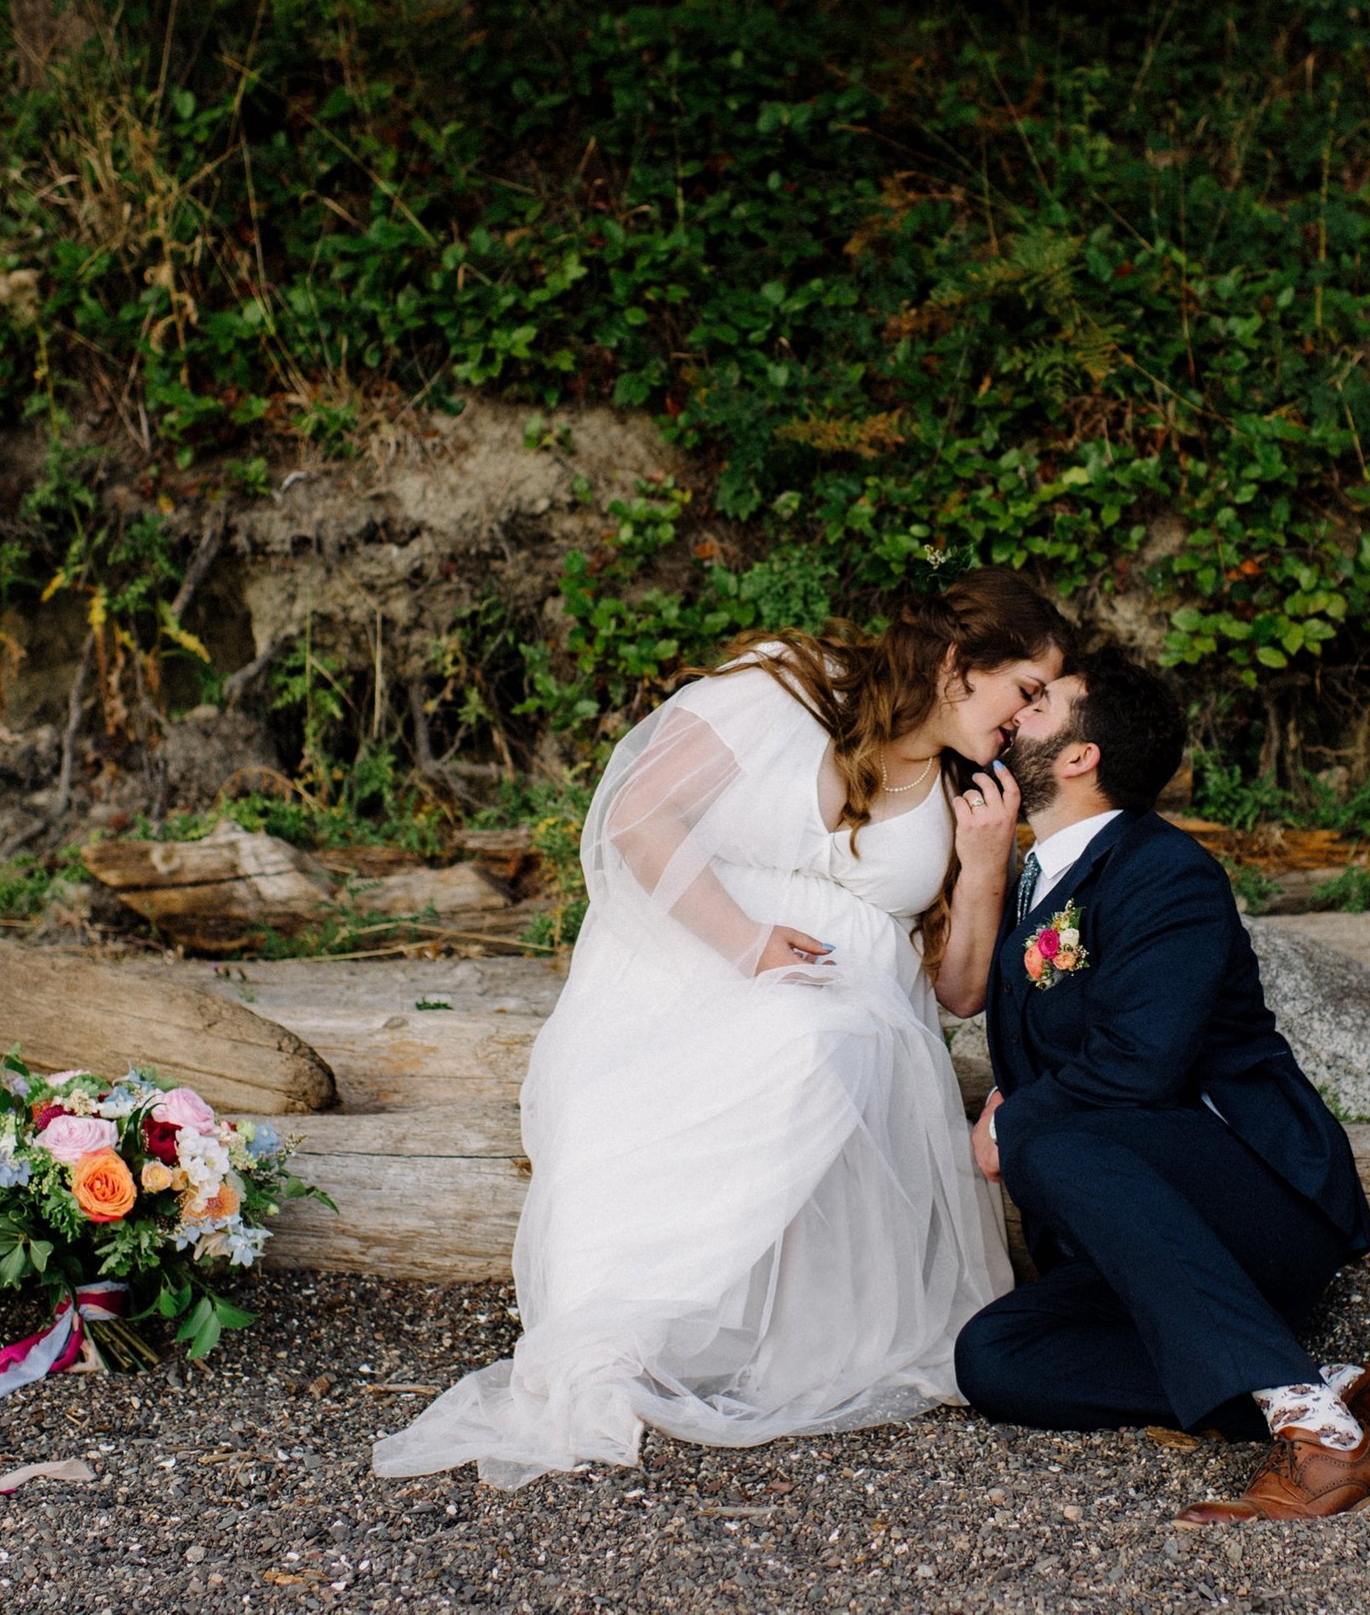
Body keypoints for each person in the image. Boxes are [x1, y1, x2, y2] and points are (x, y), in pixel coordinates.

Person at [373, 570, 1070, 1489]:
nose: (1029, 718)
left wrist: (983, 867)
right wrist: (744, 944)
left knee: (813, 1041)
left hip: (850, 1026)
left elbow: (960, 991)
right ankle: (621, 1329)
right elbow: (636, 812)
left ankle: (705, 1328)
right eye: (1025, 688)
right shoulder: (792, 686)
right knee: (788, 1036)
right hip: (691, 968)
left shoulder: (967, 795)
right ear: (957, 663)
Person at [951, 648, 1370, 1525]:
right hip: (1139, 1232)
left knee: (1046, 1137)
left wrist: (1014, 1117)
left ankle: (1322, 1442)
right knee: (996, 1355)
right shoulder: (1042, 875)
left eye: (1042, 701)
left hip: (1255, 1206)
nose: (1020, 708)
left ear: (1078, 755)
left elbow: (1142, 1061)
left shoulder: (1162, 870)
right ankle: (1343, 1388)